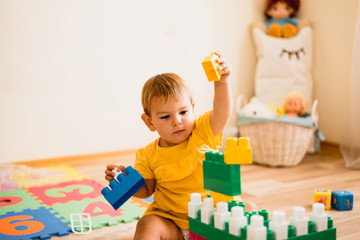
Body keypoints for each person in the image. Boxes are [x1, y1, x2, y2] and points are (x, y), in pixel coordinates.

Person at [105, 52, 255, 240]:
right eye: (165, 117)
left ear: (192, 108)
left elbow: (222, 112)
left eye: (183, 112)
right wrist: (124, 181)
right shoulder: (148, 154)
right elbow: (146, 191)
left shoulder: (202, 131)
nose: (177, 121)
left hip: (215, 222)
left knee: (249, 210)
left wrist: (221, 82)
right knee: (148, 223)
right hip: (174, 225)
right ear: (150, 122)